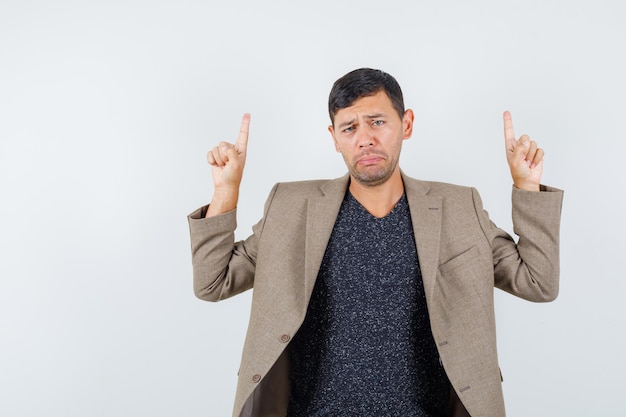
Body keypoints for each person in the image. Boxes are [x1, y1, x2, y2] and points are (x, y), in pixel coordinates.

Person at [187, 68, 563, 417]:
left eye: (377, 122)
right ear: (334, 138)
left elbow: (538, 282)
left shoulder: (458, 207)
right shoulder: (290, 207)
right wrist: (226, 192)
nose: (364, 138)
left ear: (407, 124)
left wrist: (527, 188)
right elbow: (212, 282)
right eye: (349, 127)